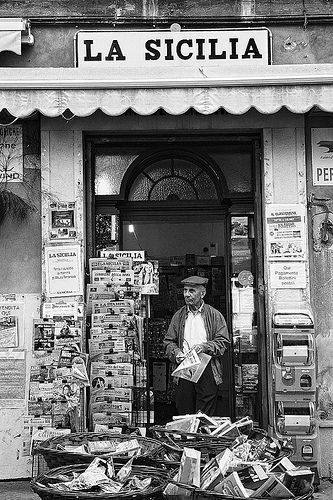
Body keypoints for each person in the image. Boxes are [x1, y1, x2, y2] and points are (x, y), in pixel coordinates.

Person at [164, 276, 230, 416]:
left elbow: (223, 341)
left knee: (205, 412)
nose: (187, 294)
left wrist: (205, 347)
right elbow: (168, 342)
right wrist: (176, 353)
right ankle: (187, 437)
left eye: (192, 291)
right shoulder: (179, 316)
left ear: (202, 293)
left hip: (207, 368)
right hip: (185, 367)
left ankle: (201, 437)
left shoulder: (214, 315)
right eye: (185, 290)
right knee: (184, 408)